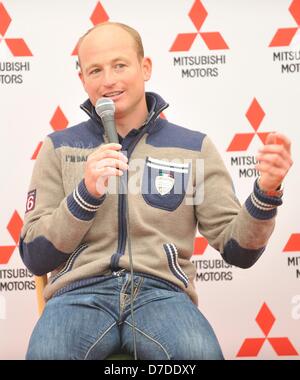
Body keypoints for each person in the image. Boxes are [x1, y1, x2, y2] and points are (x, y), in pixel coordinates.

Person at [19, 22, 293, 360]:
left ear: (145, 67)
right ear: (83, 80)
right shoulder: (58, 148)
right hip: (77, 295)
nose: (108, 80)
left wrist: (266, 192)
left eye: (120, 65)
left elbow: (239, 250)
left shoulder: (193, 148)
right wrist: (85, 194)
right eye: (95, 70)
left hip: (160, 294)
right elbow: (35, 255)